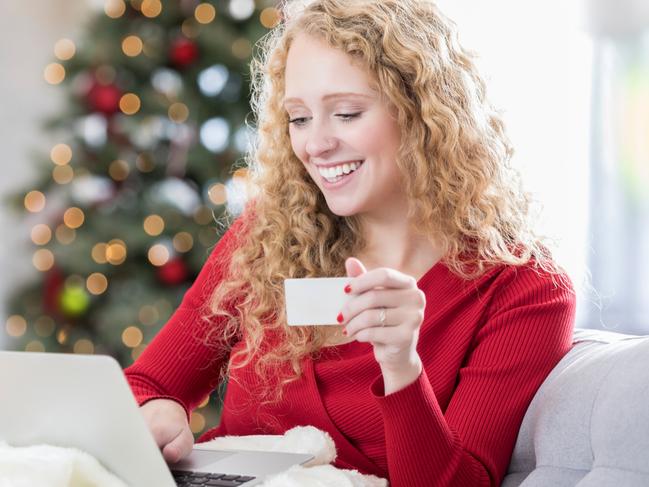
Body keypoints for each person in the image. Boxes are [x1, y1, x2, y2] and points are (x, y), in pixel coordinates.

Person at [124, 0, 576, 485]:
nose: (315, 145)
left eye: (345, 113)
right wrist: (159, 409)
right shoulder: (268, 237)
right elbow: (148, 383)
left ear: (423, 111)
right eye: (299, 118)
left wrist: (401, 364)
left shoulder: (523, 289)